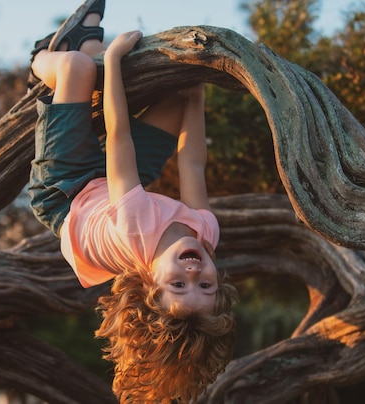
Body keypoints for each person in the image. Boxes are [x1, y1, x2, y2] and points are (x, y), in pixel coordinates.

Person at [26, 0, 238, 402]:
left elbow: (117, 133)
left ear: (150, 287)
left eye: (178, 284)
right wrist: (197, 93)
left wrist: (116, 61)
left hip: (66, 190)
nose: (193, 270)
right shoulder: (206, 233)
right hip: (117, 184)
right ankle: (82, 51)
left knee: (76, 69)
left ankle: (41, 58)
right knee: (176, 99)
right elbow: (192, 162)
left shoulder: (135, 226)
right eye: (205, 284)